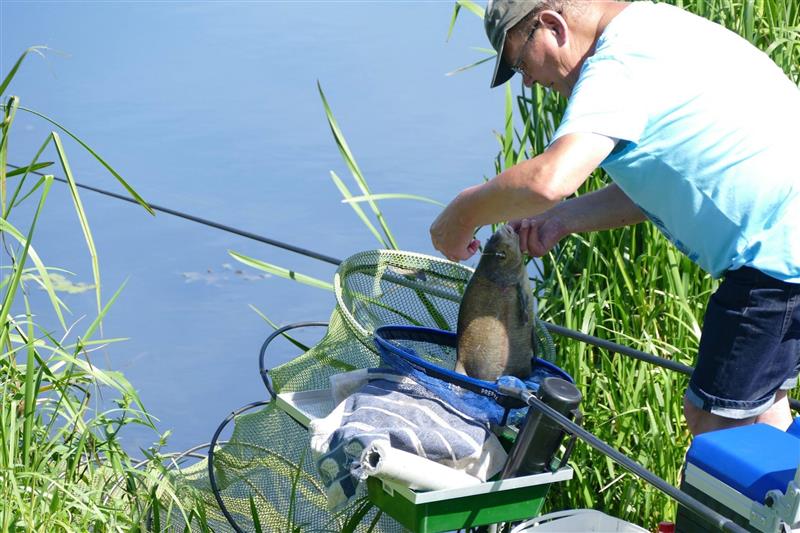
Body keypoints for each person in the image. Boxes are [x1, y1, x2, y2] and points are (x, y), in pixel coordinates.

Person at [430, 0, 800, 436]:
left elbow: (549, 179)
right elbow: (660, 183)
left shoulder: (615, 64)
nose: (528, 82)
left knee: (712, 422)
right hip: (786, 248)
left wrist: (462, 212)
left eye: (521, 64)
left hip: (775, 259)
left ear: (552, 26)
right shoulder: (654, 27)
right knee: (764, 411)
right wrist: (560, 220)